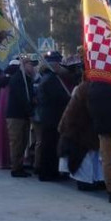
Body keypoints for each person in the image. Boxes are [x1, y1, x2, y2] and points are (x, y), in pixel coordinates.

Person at [34, 51, 74, 182]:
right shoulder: (50, 80)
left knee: (50, 145)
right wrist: (69, 99)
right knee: (49, 146)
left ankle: (50, 171)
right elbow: (58, 97)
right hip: (52, 117)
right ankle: (48, 172)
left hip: (49, 117)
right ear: (54, 65)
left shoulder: (50, 78)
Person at [6, 56, 36, 178]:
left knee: (23, 142)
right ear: (23, 65)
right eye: (30, 65)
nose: (32, 67)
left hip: (22, 115)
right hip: (16, 115)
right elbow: (21, 98)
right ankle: (15, 168)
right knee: (17, 142)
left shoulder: (27, 79)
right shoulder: (17, 79)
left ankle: (19, 165)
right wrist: (30, 107)